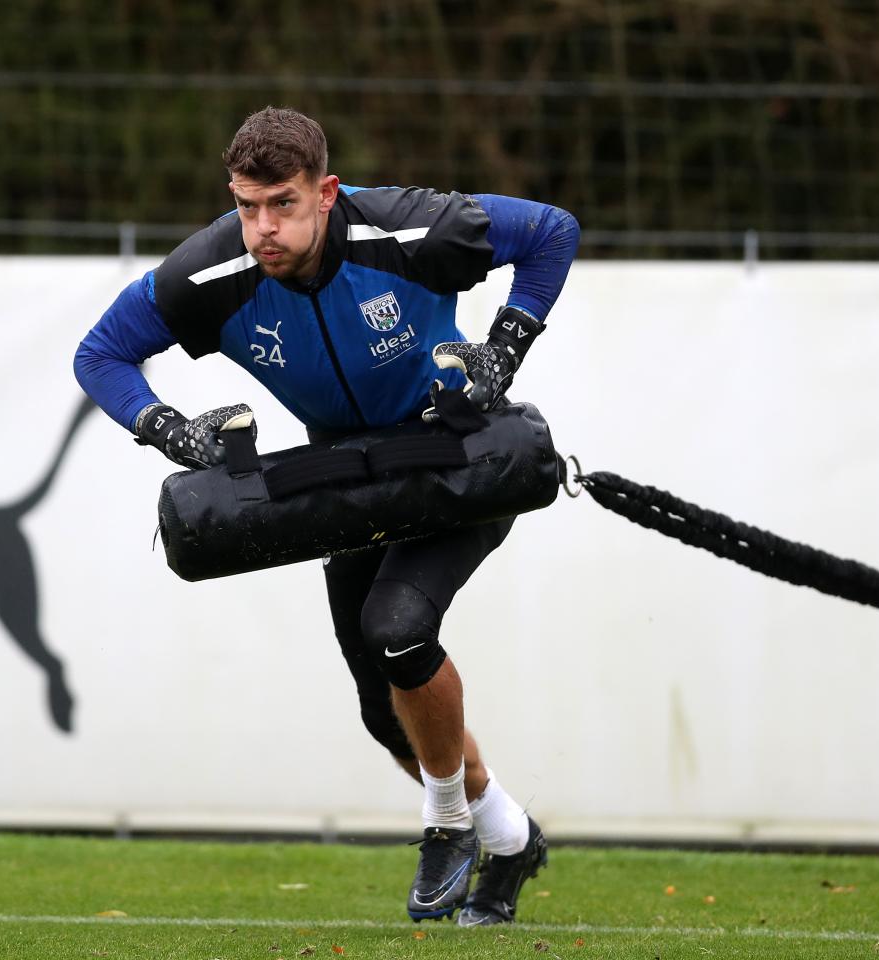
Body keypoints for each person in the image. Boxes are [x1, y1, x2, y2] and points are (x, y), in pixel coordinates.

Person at [74, 106, 579, 926]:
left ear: (327, 191)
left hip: (458, 460)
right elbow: (99, 354)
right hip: (347, 481)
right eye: (246, 206)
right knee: (384, 713)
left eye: (282, 204)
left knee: (398, 627)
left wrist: (505, 347)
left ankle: (448, 824)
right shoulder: (208, 274)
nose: (262, 229)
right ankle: (512, 838)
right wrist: (169, 429)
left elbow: (553, 230)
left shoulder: (411, 230)